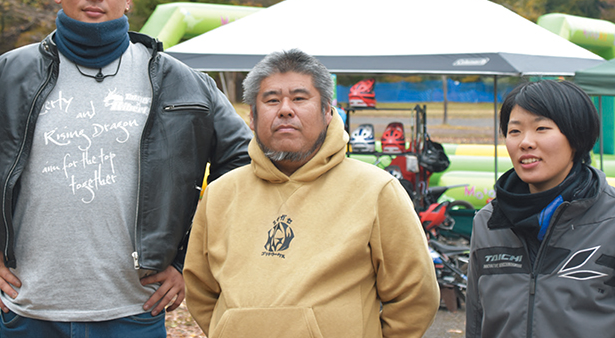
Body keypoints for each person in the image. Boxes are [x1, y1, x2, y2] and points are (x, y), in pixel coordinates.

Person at [0, 0, 252, 337]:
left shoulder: (182, 82)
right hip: (30, 312)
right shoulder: (6, 76)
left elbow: (245, 166)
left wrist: (186, 259)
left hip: (134, 314)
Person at [183, 49, 440, 338]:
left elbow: (416, 295)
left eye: (299, 98)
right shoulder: (220, 194)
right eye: (271, 100)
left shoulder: (376, 190)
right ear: (252, 118)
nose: (285, 109)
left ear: (328, 111)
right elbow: (200, 289)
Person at [466, 80, 615, 337]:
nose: (525, 142)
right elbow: (476, 319)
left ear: (577, 136)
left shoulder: (610, 221)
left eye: (541, 128)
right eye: (514, 131)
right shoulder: (489, 221)